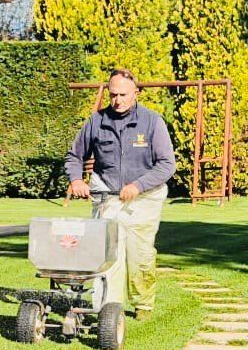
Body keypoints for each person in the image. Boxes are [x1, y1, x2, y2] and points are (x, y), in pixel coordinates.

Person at [64, 69, 175, 316]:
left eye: (123, 94)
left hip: (144, 198)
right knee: (107, 255)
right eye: (113, 94)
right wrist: (76, 180)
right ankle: (108, 310)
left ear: (136, 93)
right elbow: (74, 156)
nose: (118, 100)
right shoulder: (96, 121)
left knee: (140, 256)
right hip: (107, 196)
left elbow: (167, 164)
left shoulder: (152, 121)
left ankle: (143, 303)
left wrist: (138, 186)